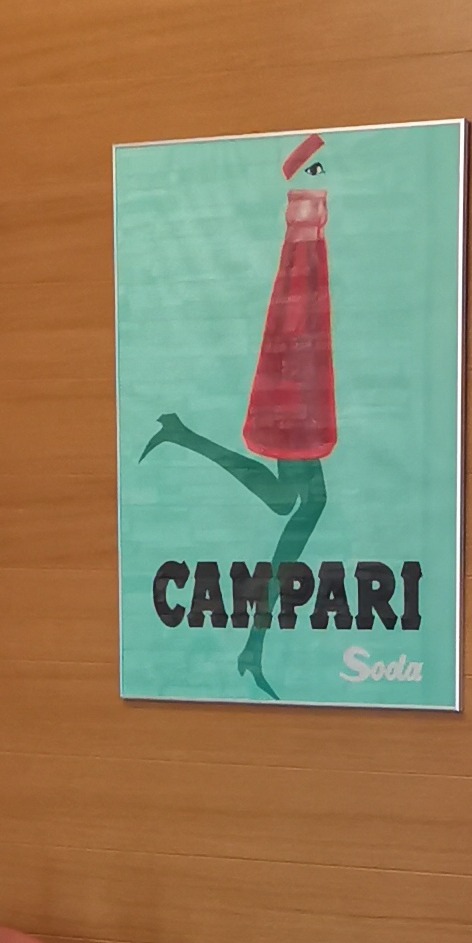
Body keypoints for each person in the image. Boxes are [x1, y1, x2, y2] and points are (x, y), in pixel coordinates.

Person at [144, 130, 334, 697]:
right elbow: (295, 325)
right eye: (316, 173)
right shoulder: (302, 243)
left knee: (291, 501)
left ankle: (181, 434)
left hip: (298, 386)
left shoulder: (307, 245)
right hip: (295, 391)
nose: (323, 180)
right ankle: (254, 645)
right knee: (302, 503)